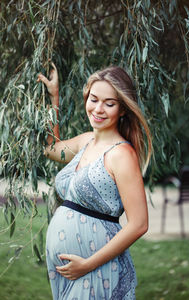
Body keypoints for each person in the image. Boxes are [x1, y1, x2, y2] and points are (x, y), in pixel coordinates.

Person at [37, 63, 152, 300]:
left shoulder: (122, 154)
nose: (98, 109)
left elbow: (139, 224)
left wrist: (88, 265)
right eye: (93, 99)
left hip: (96, 269)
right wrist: (54, 98)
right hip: (70, 271)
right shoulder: (87, 141)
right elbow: (50, 149)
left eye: (109, 104)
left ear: (122, 109)